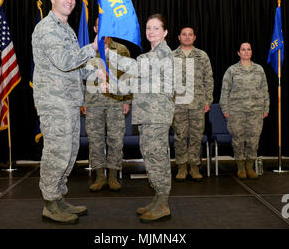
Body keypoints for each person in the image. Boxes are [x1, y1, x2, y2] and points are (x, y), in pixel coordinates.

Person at [32, 0, 98, 224]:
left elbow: (76, 67)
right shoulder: (47, 28)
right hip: (54, 101)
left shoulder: (67, 29)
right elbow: (64, 61)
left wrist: (96, 73)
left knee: (69, 153)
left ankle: (58, 197)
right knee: (56, 153)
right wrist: (93, 47)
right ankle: (49, 203)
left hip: (69, 101)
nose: (70, 0)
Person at [106, 14, 174, 223]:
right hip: (147, 115)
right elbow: (137, 83)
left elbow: (135, 69)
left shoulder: (162, 54)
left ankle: (163, 204)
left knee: (157, 158)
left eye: (156, 28)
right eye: (148, 28)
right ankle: (157, 199)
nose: (151, 31)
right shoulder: (149, 55)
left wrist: (110, 54)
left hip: (156, 116)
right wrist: (113, 86)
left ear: (164, 32)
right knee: (151, 157)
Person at [84, 18, 131, 192]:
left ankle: (112, 176)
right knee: (95, 140)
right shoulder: (87, 51)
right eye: (99, 25)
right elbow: (81, 78)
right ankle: (99, 177)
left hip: (115, 101)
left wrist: (127, 100)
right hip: (93, 102)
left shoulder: (121, 50)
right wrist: (83, 101)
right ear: (95, 28)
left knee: (116, 139)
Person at [219, 42, 269, 180]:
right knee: (238, 140)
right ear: (238, 53)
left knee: (253, 141)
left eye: (248, 49)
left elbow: (265, 90)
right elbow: (224, 91)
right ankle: (241, 168)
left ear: (251, 52)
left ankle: (250, 167)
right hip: (237, 112)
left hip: (256, 112)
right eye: (243, 50)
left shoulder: (259, 70)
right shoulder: (232, 71)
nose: (246, 52)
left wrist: (266, 108)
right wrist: (225, 109)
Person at [172, 26, 214, 181]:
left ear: (194, 37)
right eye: (184, 34)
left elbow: (208, 80)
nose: (187, 37)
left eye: (190, 35)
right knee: (180, 136)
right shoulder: (172, 56)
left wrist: (208, 100)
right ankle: (182, 167)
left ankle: (195, 167)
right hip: (179, 104)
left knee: (196, 136)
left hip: (197, 103)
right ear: (179, 37)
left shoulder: (202, 56)